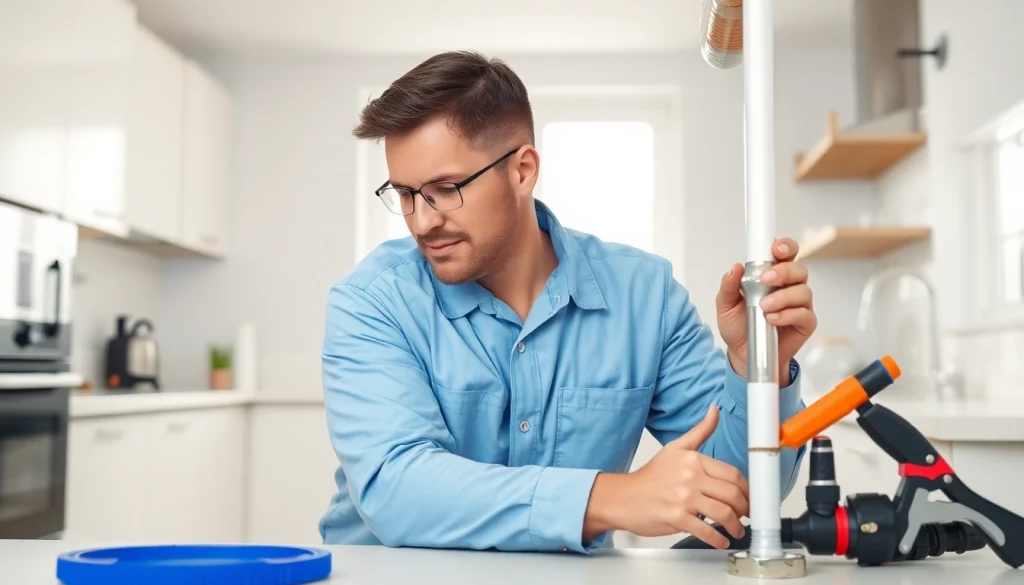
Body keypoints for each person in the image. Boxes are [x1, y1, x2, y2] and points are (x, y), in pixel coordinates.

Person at [319, 50, 816, 553]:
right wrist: (608, 498)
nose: (421, 221)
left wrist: (758, 369)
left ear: (523, 169)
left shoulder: (645, 296)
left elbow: (734, 490)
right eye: (404, 193)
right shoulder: (371, 303)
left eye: (445, 190)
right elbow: (397, 490)